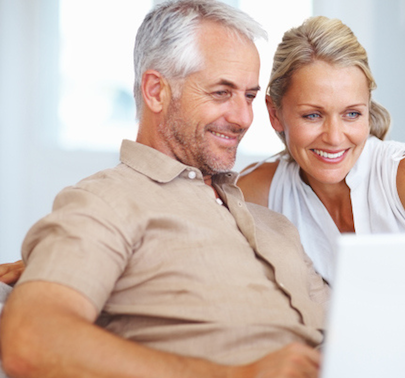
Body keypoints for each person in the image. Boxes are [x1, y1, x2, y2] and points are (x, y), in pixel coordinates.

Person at [0, 1, 329, 377]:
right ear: (156, 91)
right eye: (221, 93)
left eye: (250, 96)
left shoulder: (274, 224)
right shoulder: (106, 203)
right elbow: (31, 339)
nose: (243, 118)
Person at [237, 16, 405, 283]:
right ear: (275, 114)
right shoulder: (258, 192)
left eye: (351, 114)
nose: (335, 137)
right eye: (313, 116)